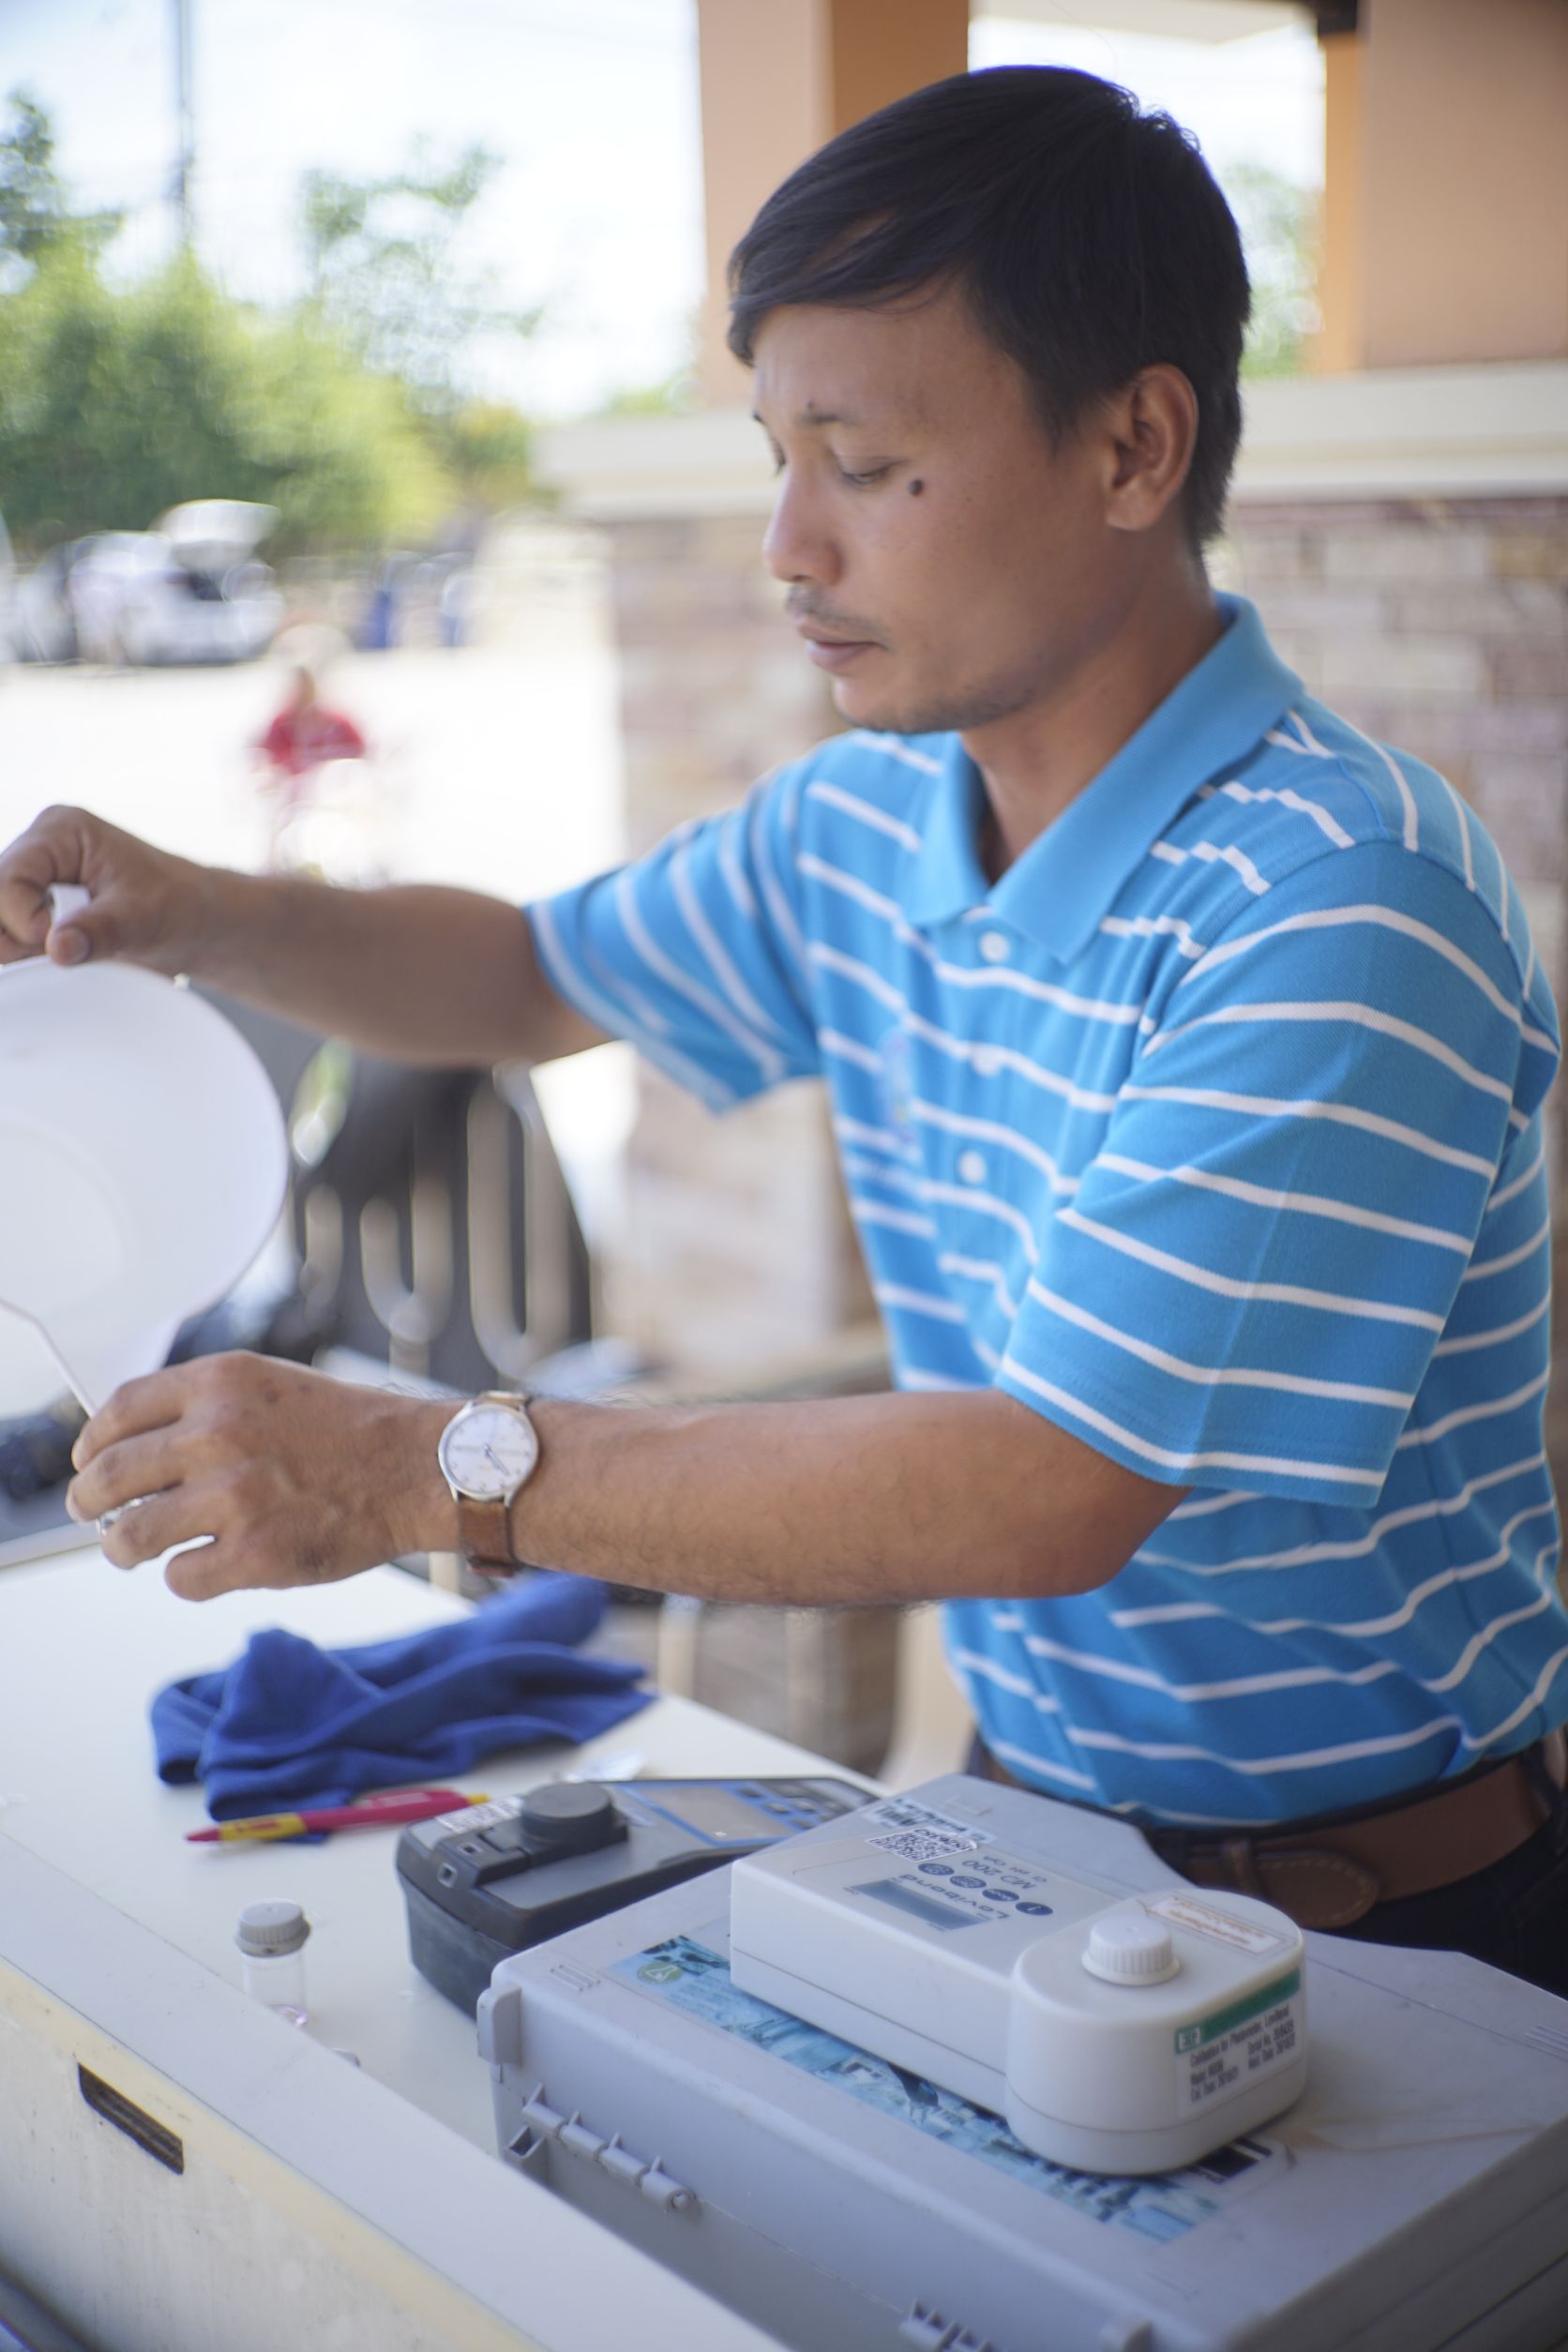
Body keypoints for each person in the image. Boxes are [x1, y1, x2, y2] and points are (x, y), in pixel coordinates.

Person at [3, 68, 1564, 1993]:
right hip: (1031, 1844)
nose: (783, 547)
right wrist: (194, 912)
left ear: (1132, 446)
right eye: (771, 453)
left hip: (1392, 1923)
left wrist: (421, 1470)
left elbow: (1042, 1482)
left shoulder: (1337, 895)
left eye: (863, 462)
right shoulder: (864, 820)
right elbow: (520, 978)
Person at [253, 663, 369, 863]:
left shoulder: (337, 721)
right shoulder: (282, 723)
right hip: (294, 800)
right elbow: (265, 759)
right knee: (279, 831)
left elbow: (362, 754)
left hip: (335, 795)